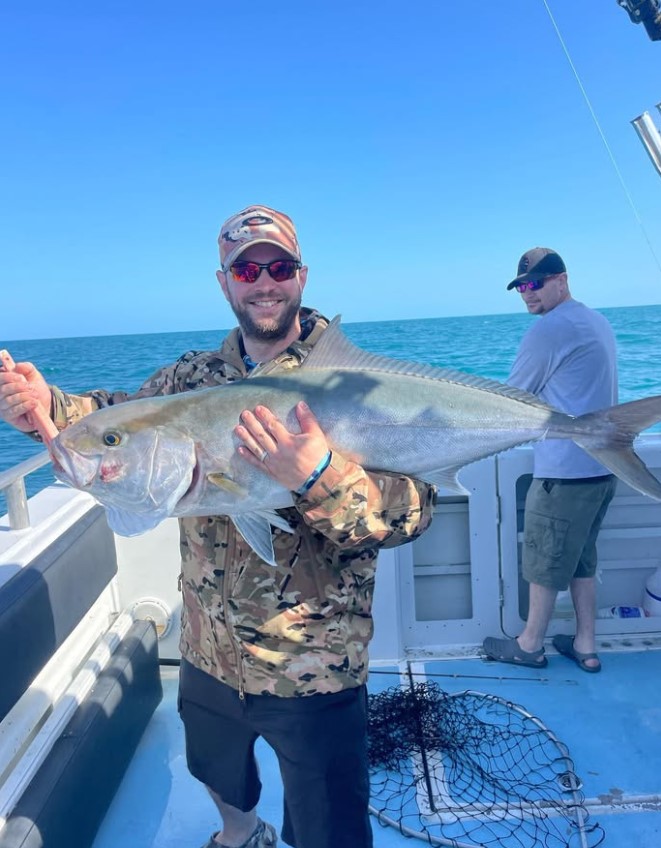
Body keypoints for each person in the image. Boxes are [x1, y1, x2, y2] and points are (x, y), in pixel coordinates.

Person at [0, 205, 436, 848]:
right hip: (207, 648)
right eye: (247, 267)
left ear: (301, 277)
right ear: (224, 281)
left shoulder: (359, 387)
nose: (264, 280)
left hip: (313, 663)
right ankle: (242, 835)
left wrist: (317, 474)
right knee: (217, 774)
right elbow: (117, 418)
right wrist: (48, 405)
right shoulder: (189, 380)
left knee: (330, 825)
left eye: (278, 266)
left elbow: (413, 512)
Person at [483, 247, 618, 674]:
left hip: (565, 471)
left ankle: (529, 644)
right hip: (601, 468)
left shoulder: (549, 330)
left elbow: (511, 397)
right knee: (581, 558)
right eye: (521, 286)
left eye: (535, 283)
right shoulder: (595, 320)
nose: (527, 293)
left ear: (561, 279)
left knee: (544, 561)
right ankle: (586, 645)